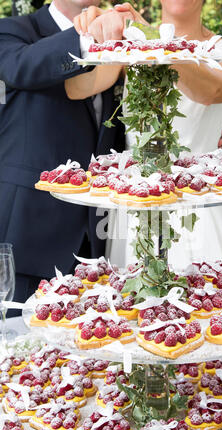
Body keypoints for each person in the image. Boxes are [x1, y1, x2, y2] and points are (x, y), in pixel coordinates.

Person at [66, 0, 222, 270]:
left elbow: (211, 93)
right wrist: (94, 34)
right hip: (136, 200)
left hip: (200, 201)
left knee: (210, 300)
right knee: (130, 302)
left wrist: (152, 39)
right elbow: (77, 88)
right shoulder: (132, 43)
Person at [0, 0, 127, 316]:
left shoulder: (122, 43)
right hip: (27, 245)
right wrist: (89, 37)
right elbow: (24, 66)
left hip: (97, 249)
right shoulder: (12, 32)